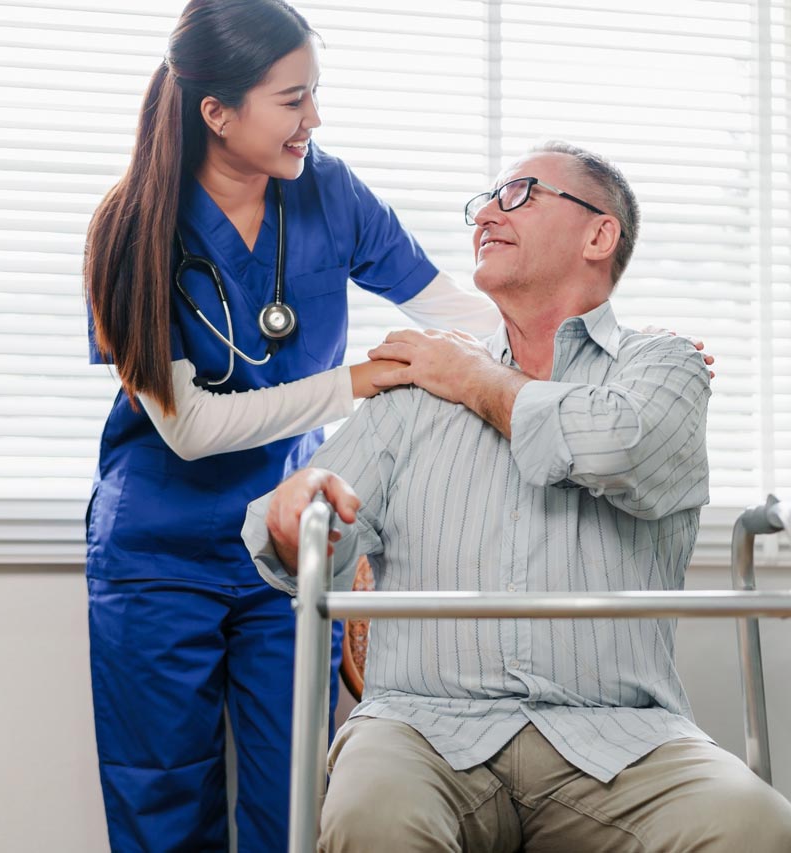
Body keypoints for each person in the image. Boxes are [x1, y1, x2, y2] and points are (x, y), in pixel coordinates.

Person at [242, 141, 791, 852]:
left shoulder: (662, 365)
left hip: (622, 738)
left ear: (600, 234)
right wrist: (297, 515)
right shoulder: (415, 384)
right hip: (422, 730)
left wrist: (473, 377)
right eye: (485, 202)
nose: (487, 216)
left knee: (755, 824)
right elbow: (315, 540)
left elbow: (619, 446)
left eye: (522, 192)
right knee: (370, 818)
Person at [82, 1, 501, 850]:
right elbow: (191, 428)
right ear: (218, 112)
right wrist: (355, 380)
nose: (314, 118)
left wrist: (595, 341)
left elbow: (463, 311)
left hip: (286, 545)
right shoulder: (132, 228)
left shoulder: (329, 192)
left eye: (315, 93)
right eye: (293, 99)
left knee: (295, 802)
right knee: (160, 806)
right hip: (157, 553)